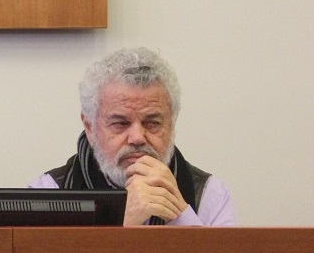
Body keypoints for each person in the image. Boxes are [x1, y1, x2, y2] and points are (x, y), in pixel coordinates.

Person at [30, 48, 235, 226]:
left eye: (152, 123)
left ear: (171, 125)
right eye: (120, 123)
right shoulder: (47, 193)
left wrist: (179, 215)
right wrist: (121, 222)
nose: (137, 138)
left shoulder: (209, 195)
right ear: (90, 128)